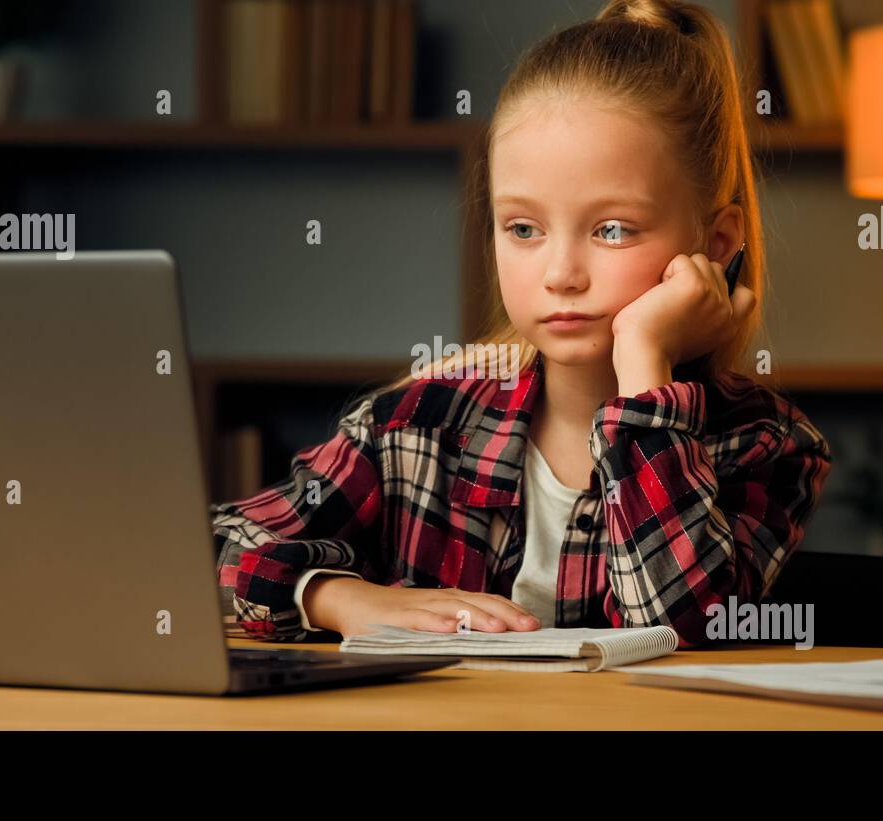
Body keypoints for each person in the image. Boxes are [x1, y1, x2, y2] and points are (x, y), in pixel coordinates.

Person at [211, 0, 832, 646]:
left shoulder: (768, 445)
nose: (561, 271)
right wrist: (338, 597)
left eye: (611, 229)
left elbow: (688, 630)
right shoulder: (413, 427)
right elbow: (225, 548)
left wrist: (644, 361)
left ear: (717, 242)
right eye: (524, 228)